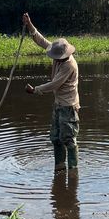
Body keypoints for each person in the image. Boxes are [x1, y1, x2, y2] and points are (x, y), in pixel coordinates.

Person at [22, 12, 80, 172]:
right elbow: (41, 40)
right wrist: (29, 25)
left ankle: (73, 171)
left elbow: (54, 84)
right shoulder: (57, 54)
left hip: (69, 106)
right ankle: (60, 169)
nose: (55, 58)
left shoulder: (69, 65)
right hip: (58, 104)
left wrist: (35, 90)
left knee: (68, 139)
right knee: (56, 138)